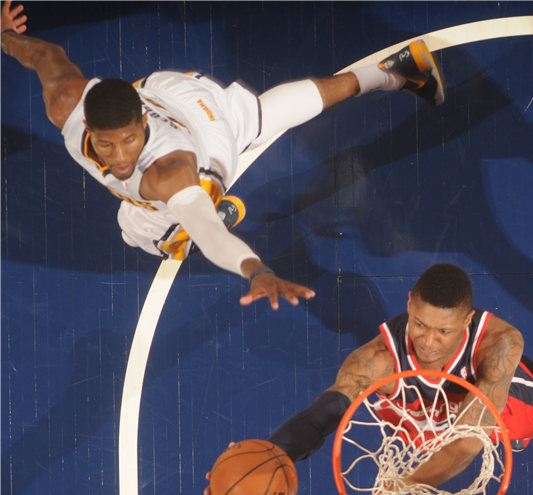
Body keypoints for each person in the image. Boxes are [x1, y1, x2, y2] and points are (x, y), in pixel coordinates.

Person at [1, 0, 445, 309]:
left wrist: (256, 270)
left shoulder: (167, 172)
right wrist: (4, 34)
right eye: (106, 144)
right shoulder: (65, 101)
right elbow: (44, 53)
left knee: (145, 232)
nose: (119, 156)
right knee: (265, 113)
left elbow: (211, 234)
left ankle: (393, 75)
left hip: (203, 135)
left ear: (142, 123)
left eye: (129, 140)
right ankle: (401, 68)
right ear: (88, 127)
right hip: (169, 93)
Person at [205, 263, 533, 495]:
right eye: (420, 324)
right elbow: (323, 415)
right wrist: (271, 454)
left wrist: (406, 484)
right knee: (412, 420)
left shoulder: (500, 344)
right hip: (424, 409)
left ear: (466, 321)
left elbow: (466, 442)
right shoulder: (376, 360)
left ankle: (512, 417)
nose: (429, 341)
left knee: (510, 422)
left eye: (444, 331)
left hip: (494, 397)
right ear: (409, 303)